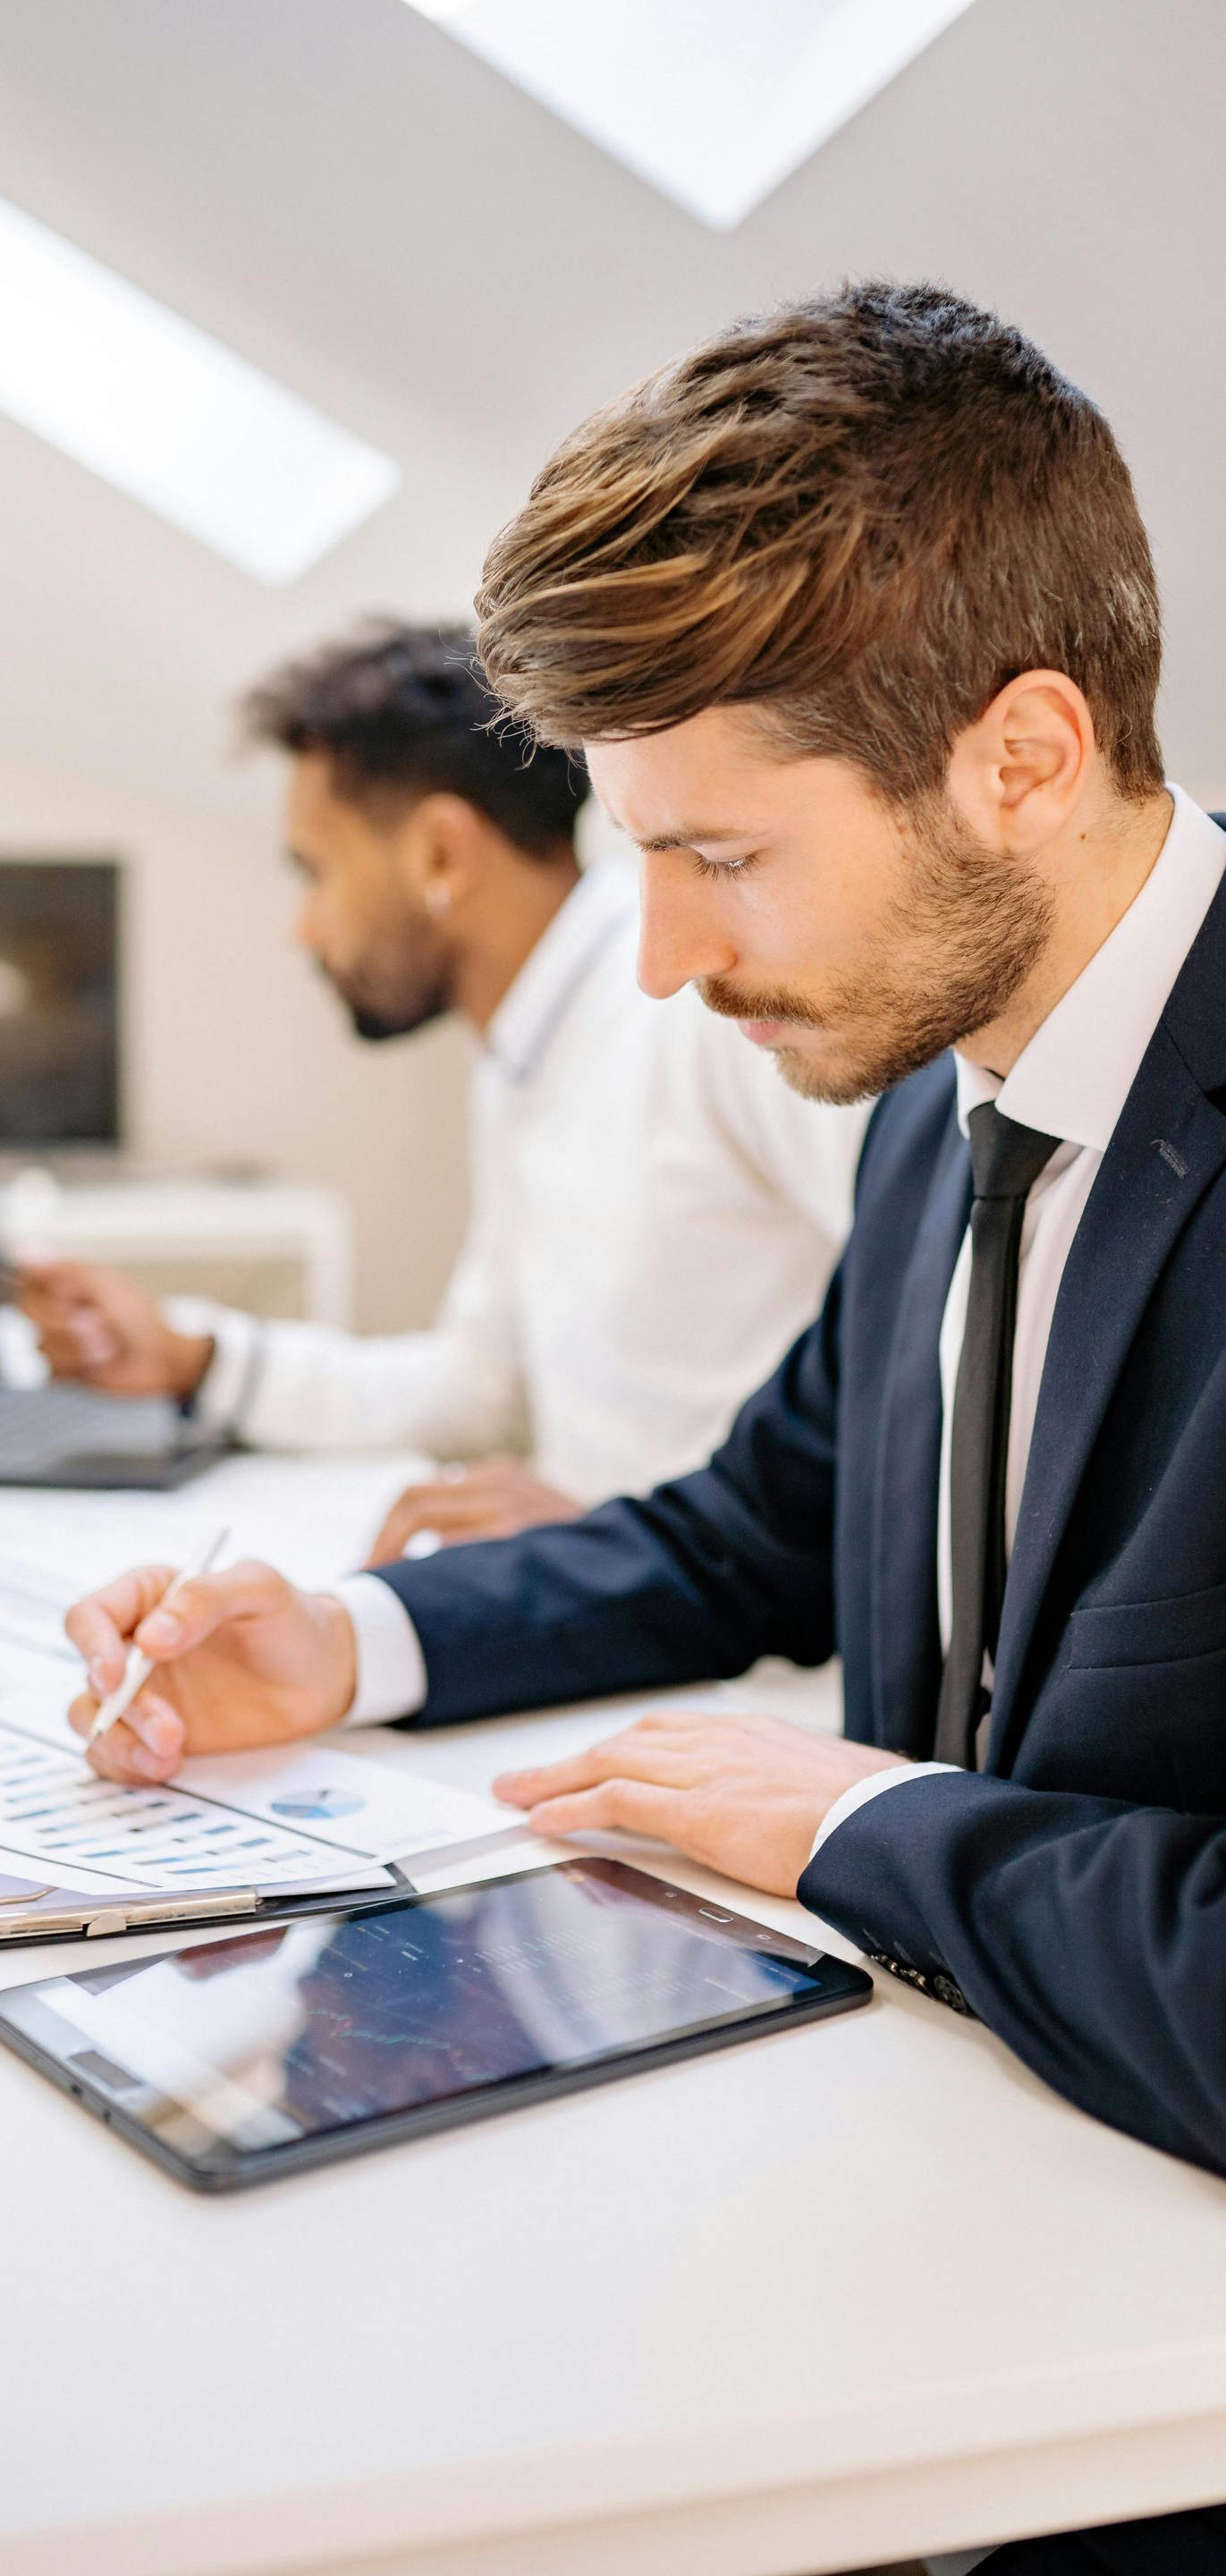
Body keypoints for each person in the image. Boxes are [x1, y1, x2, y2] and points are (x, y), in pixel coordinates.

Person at [65, 284, 1226, 2572]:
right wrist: (345, 1642)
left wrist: (864, 1820)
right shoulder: (948, 1080)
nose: (668, 967)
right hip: (921, 2238)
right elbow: (752, 1528)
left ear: (1018, 754)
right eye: (640, 863)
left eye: (722, 860)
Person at [19, 624, 865, 1556]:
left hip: (755, 1648)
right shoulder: (529, 1049)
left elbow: (931, 1351)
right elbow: (480, 1389)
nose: (303, 930)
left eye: (317, 871)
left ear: (440, 858)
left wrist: (652, 1535)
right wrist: (193, 1358)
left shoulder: (709, 1010)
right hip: (636, 1596)